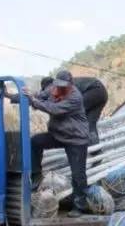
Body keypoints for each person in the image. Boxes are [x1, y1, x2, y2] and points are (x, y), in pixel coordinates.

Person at [24, 70, 90, 218]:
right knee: (35, 142)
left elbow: (54, 109)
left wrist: (34, 101)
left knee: (78, 174)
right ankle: (36, 176)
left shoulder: (75, 97)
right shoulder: (52, 88)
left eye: (64, 86)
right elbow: (37, 96)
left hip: (76, 139)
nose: (60, 88)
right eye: (59, 85)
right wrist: (19, 96)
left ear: (71, 85)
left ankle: (80, 206)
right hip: (58, 134)